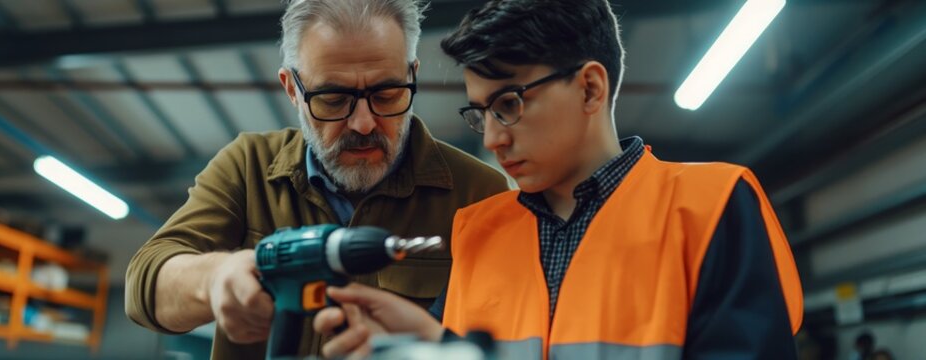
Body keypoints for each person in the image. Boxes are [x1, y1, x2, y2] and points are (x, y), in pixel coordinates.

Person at [313, 0, 804, 358]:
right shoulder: (477, 232)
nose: (492, 140)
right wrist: (433, 343)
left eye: (508, 104)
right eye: (480, 113)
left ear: (590, 87)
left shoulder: (711, 205)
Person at [123, 0, 508, 358]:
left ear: (413, 75)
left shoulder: (480, 194)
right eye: (333, 98)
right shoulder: (248, 167)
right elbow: (144, 286)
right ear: (292, 88)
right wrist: (214, 278)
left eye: (387, 94)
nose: (363, 123)